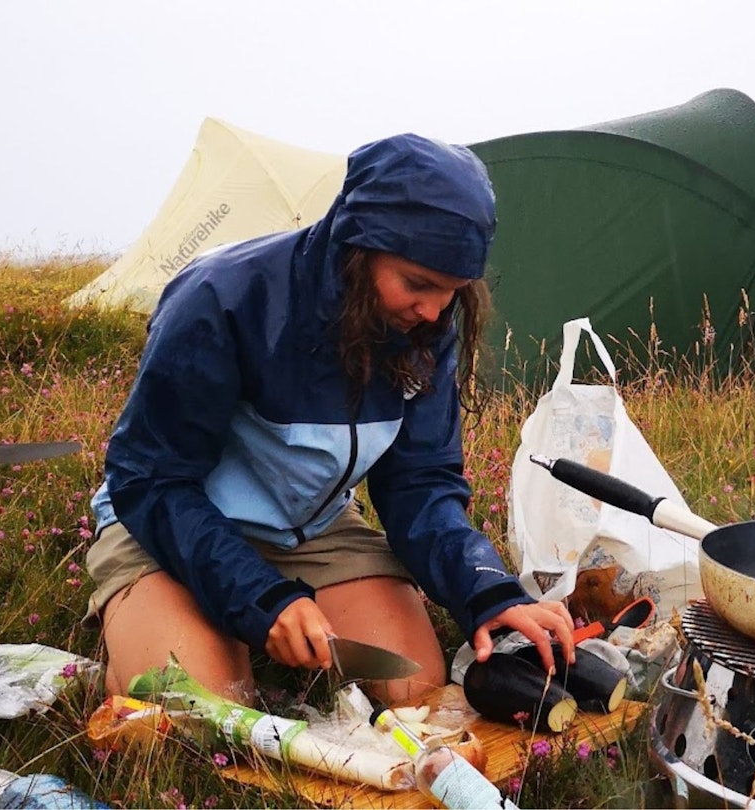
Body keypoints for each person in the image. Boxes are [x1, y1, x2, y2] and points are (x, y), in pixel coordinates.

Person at [87, 133, 575, 705]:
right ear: (356, 246)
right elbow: (151, 479)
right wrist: (260, 598)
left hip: (308, 529)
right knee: (210, 711)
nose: (435, 311)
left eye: (453, 290)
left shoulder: (425, 324)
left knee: (416, 688)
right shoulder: (220, 299)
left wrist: (488, 592)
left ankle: (199, 633)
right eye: (418, 284)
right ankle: (139, 641)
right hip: (167, 527)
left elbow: (420, 484)